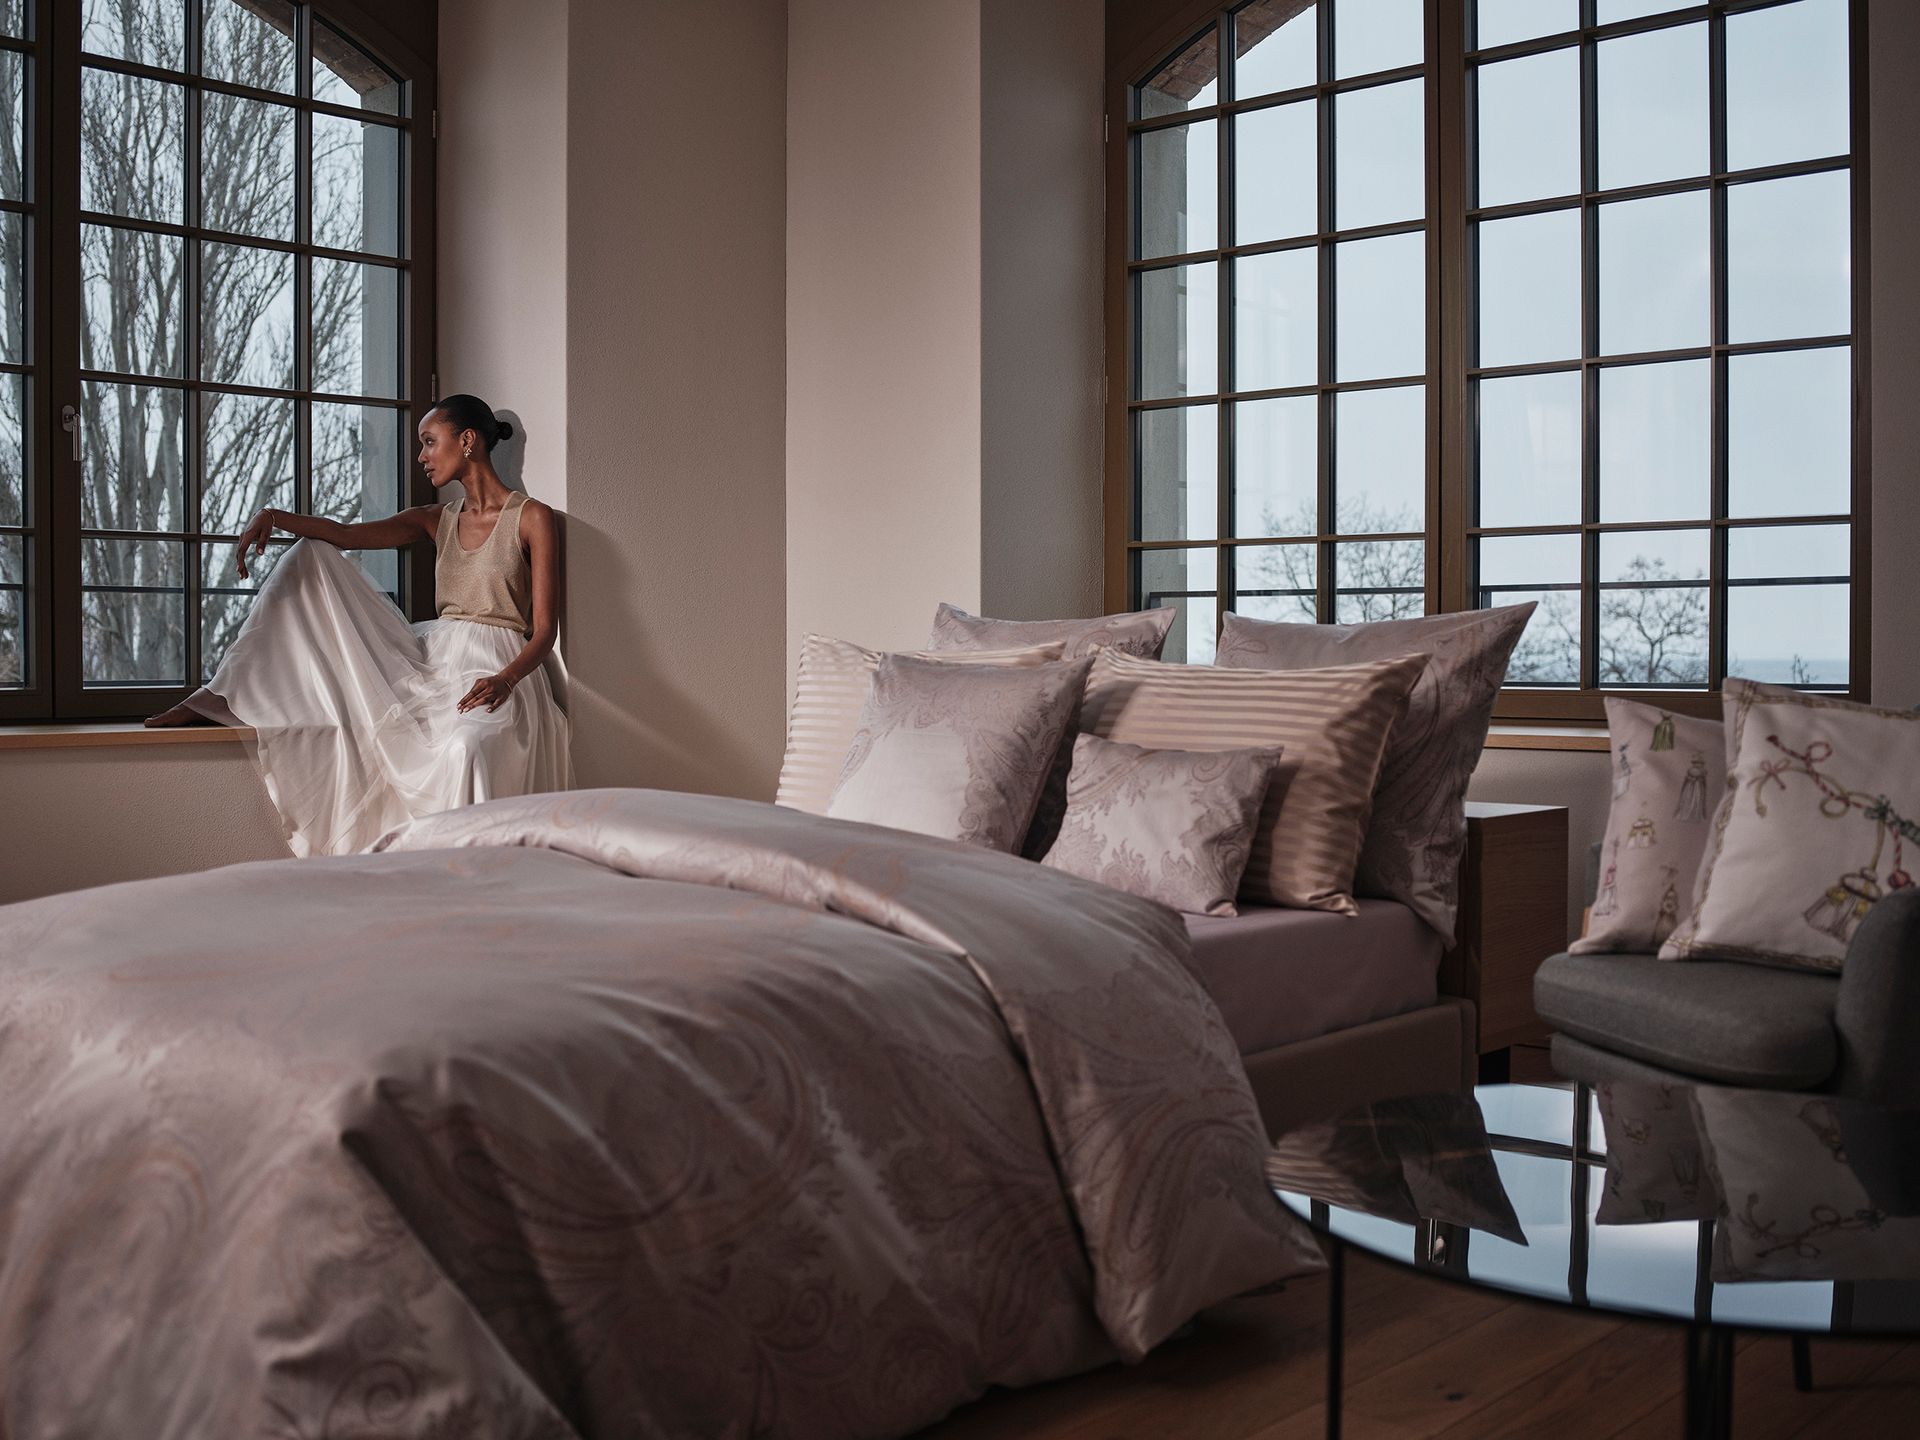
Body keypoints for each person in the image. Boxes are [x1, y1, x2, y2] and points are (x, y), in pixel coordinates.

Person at [146, 394, 572, 856]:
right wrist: (272, 516)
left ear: (467, 440)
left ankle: (466, 880)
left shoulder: (531, 517)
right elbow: (344, 535)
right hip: (437, 662)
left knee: (467, 749)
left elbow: (544, 631)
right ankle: (219, 692)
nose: (421, 456)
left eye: (430, 442)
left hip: (498, 669)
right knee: (310, 555)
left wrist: (506, 679)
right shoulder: (435, 519)